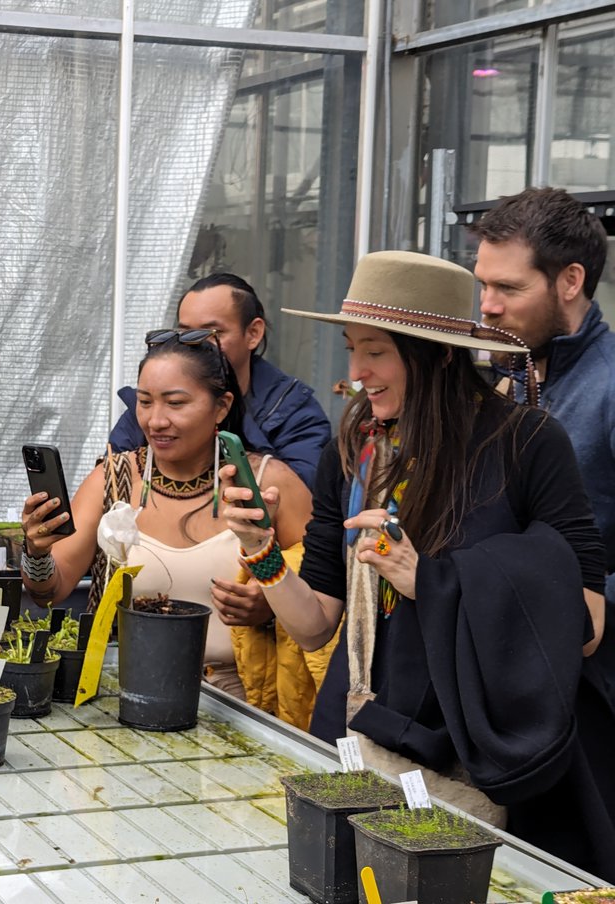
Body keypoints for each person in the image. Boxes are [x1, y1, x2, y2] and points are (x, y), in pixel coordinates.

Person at [221, 249, 615, 872]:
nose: (357, 372)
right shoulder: (352, 449)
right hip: (356, 731)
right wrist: (260, 550)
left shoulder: (527, 442)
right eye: (352, 348)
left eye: (375, 352)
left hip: (477, 754)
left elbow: (587, 624)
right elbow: (317, 621)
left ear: (434, 353)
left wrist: (428, 579)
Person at [21, 329, 330, 724]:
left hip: (247, 708)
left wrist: (270, 606)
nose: (156, 420)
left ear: (222, 407)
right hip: (131, 699)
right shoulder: (114, 478)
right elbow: (50, 589)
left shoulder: (271, 484)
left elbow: (323, 612)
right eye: (145, 402)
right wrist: (37, 551)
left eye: (176, 403)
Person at [471, 187, 615, 675]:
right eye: (483, 285)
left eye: (508, 289)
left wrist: (573, 616)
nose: (487, 306)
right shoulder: (508, 376)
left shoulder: (608, 387)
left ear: (570, 280)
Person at [109, 273, 331, 489]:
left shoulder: (294, 411)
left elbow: (301, 498)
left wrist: (231, 419)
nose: (194, 346)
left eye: (211, 333)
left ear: (253, 333)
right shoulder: (151, 407)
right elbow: (114, 485)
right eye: (185, 333)